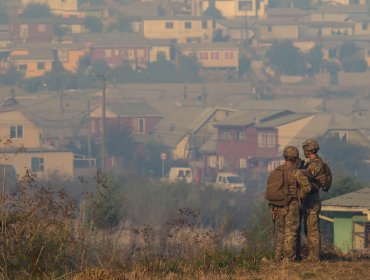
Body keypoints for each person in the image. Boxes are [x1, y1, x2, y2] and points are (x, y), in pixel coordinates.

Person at [270, 146, 311, 262]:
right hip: (292, 206)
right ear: (295, 158)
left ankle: (278, 257)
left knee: (281, 233)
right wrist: (299, 196)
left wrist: (273, 206)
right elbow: (307, 188)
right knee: (291, 233)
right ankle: (288, 259)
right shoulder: (296, 172)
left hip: (277, 206)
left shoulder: (277, 171)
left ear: (285, 157)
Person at [301, 139, 325, 261]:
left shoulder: (316, 163)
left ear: (308, 150)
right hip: (309, 198)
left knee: (313, 229)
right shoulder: (311, 162)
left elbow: (309, 175)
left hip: (313, 199)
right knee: (308, 228)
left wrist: (299, 171)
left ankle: (314, 256)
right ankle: (312, 255)